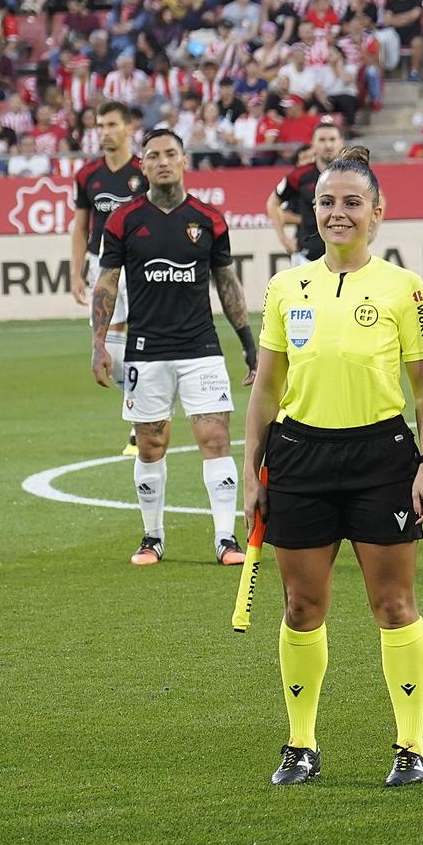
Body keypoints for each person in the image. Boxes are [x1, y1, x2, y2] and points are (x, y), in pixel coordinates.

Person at [240, 147, 423, 788]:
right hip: (298, 458)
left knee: (394, 604)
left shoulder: (402, 289)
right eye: (327, 202)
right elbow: (267, 390)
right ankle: (301, 744)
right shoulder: (284, 287)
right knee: (302, 607)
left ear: (377, 214)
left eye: (352, 202)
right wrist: (253, 471)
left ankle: (409, 746)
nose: (337, 213)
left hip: (382, 458)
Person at [90, 129, 258, 566]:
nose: (162, 161)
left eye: (170, 154)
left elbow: (227, 284)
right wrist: (98, 344)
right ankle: (152, 537)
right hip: (146, 352)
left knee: (215, 438)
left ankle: (225, 539)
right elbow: (106, 283)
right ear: (141, 166)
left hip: (201, 347)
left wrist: (248, 344)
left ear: (184, 161)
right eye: (153, 156)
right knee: (150, 446)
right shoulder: (123, 220)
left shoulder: (210, 219)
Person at [69, 99, 147, 454]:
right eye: (99, 126)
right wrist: (75, 271)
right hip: (102, 264)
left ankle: (139, 419)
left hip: (141, 264)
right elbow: (81, 225)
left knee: (146, 342)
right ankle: (139, 402)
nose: (105, 132)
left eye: (112, 125)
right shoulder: (87, 175)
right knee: (107, 350)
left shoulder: (145, 171)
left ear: (129, 128)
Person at [266, 117, 344, 264]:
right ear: (312, 143)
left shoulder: (354, 174)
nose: (328, 145)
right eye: (322, 140)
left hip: (345, 257)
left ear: (341, 142)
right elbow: (272, 203)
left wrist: (372, 232)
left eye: (332, 139)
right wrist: (283, 239)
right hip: (308, 257)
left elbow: (379, 199)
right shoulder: (299, 175)